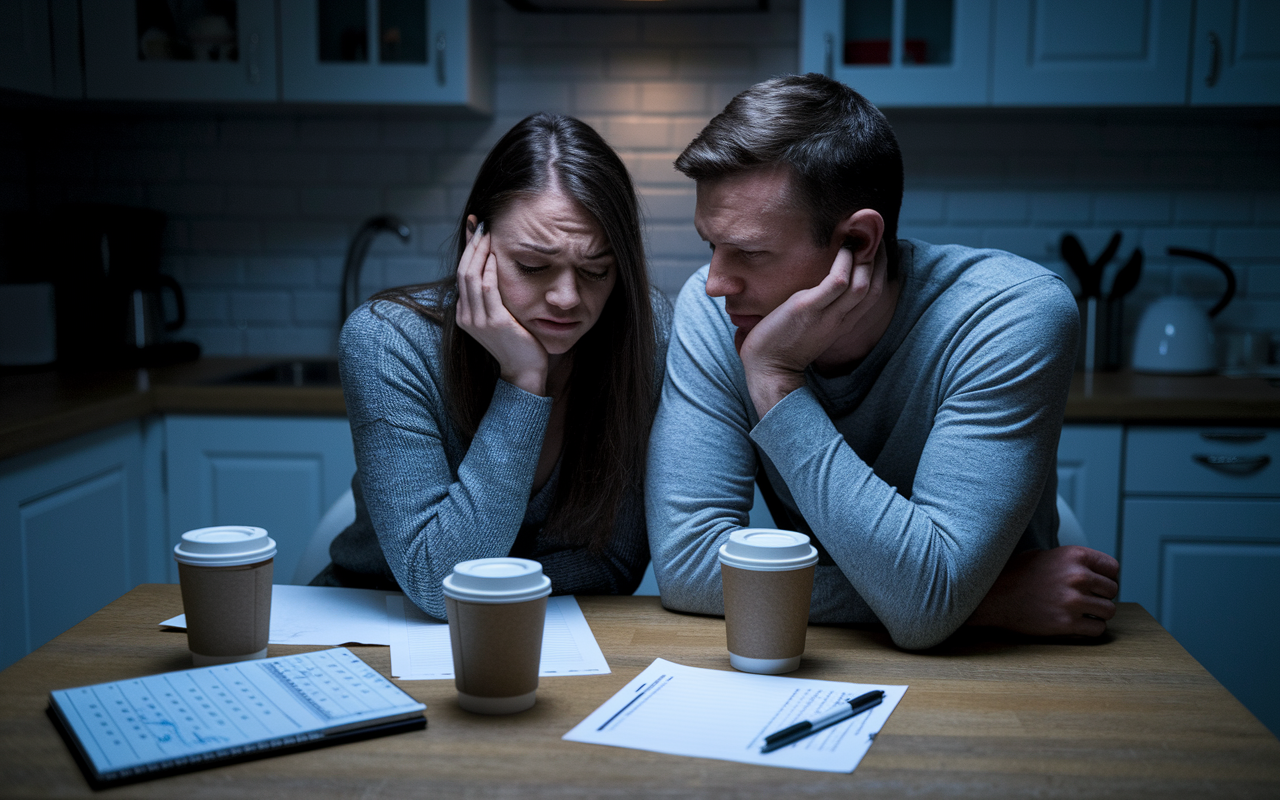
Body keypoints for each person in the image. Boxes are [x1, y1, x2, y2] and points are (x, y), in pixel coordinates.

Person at [646, 74, 1119, 650]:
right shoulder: (718, 308)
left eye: (749, 252)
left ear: (860, 242)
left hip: (1004, 667)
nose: (716, 283)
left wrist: (775, 383)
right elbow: (687, 566)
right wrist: (980, 601)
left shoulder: (1010, 313)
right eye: (709, 246)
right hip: (838, 653)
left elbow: (927, 607)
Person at [315, 113, 670, 620]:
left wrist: (495, 581)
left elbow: (615, 565)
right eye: (533, 266)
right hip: (373, 620)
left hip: (553, 633)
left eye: (597, 270)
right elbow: (439, 585)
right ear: (475, 242)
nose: (568, 298)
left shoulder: (644, 335)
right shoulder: (388, 340)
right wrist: (524, 381)